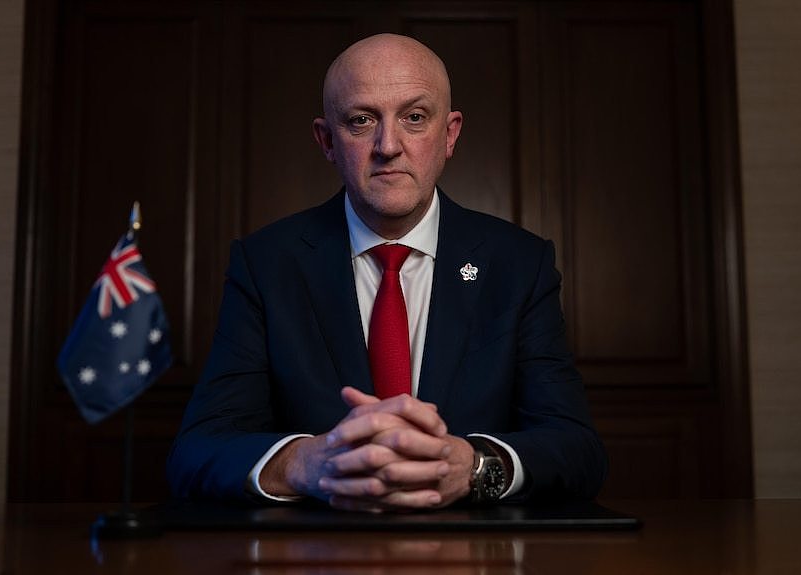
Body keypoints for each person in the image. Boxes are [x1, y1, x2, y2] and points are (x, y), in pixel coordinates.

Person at [167, 33, 606, 512]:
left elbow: (577, 449)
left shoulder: (520, 264)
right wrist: (305, 463)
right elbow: (197, 451)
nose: (388, 146)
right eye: (361, 121)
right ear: (327, 141)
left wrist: (474, 466)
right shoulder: (266, 263)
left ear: (450, 133)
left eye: (414, 117)